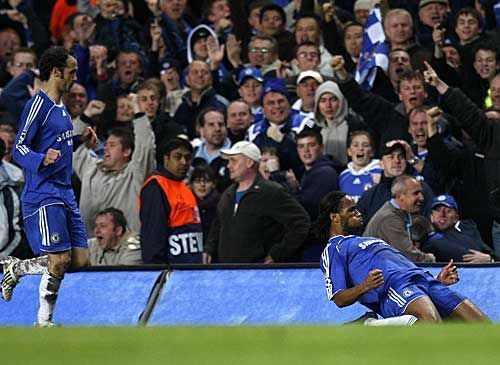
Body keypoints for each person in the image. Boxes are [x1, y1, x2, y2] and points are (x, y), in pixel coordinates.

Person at [2, 46, 97, 327]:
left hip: (64, 191)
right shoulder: (38, 105)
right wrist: (41, 159)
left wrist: (79, 140)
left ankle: (16, 267)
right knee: (58, 260)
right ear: (56, 72)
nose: (75, 77)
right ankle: (44, 323)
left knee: (79, 260)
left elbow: (58, 143)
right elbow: (19, 148)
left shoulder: (60, 107)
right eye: (71, 72)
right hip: (44, 193)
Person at [318, 191, 489, 323]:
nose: (359, 212)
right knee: (431, 325)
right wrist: (365, 286)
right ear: (334, 217)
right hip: (394, 286)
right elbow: (339, 298)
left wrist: (439, 280)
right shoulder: (334, 249)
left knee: (483, 327)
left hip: (425, 281)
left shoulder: (367, 240)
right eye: (352, 210)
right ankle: (372, 327)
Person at [204, 141, 310, 263]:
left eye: (234, 161)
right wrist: (209, 248)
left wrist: (277, 254)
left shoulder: (271, 191)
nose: (229, 166)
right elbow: (218, 224)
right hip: (228, 273)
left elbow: (301, 222)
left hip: (258, 274)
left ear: (249, 163)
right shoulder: (228, 194)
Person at [140, 137, 203, 264]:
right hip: (171, 270)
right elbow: (153, 237)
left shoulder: (185, 187)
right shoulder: (156, 186)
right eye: (177, 157)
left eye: (187, 158)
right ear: (166, 159)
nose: (183, 162)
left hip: (192, 267)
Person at [422, 195, 494, 263]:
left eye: (448, 211)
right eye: (438, 210)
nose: (442, 215)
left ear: (456, 217)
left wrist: (489, 258)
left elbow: (488, 252)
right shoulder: (424, 233)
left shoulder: (469, 229)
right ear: (431, 216)